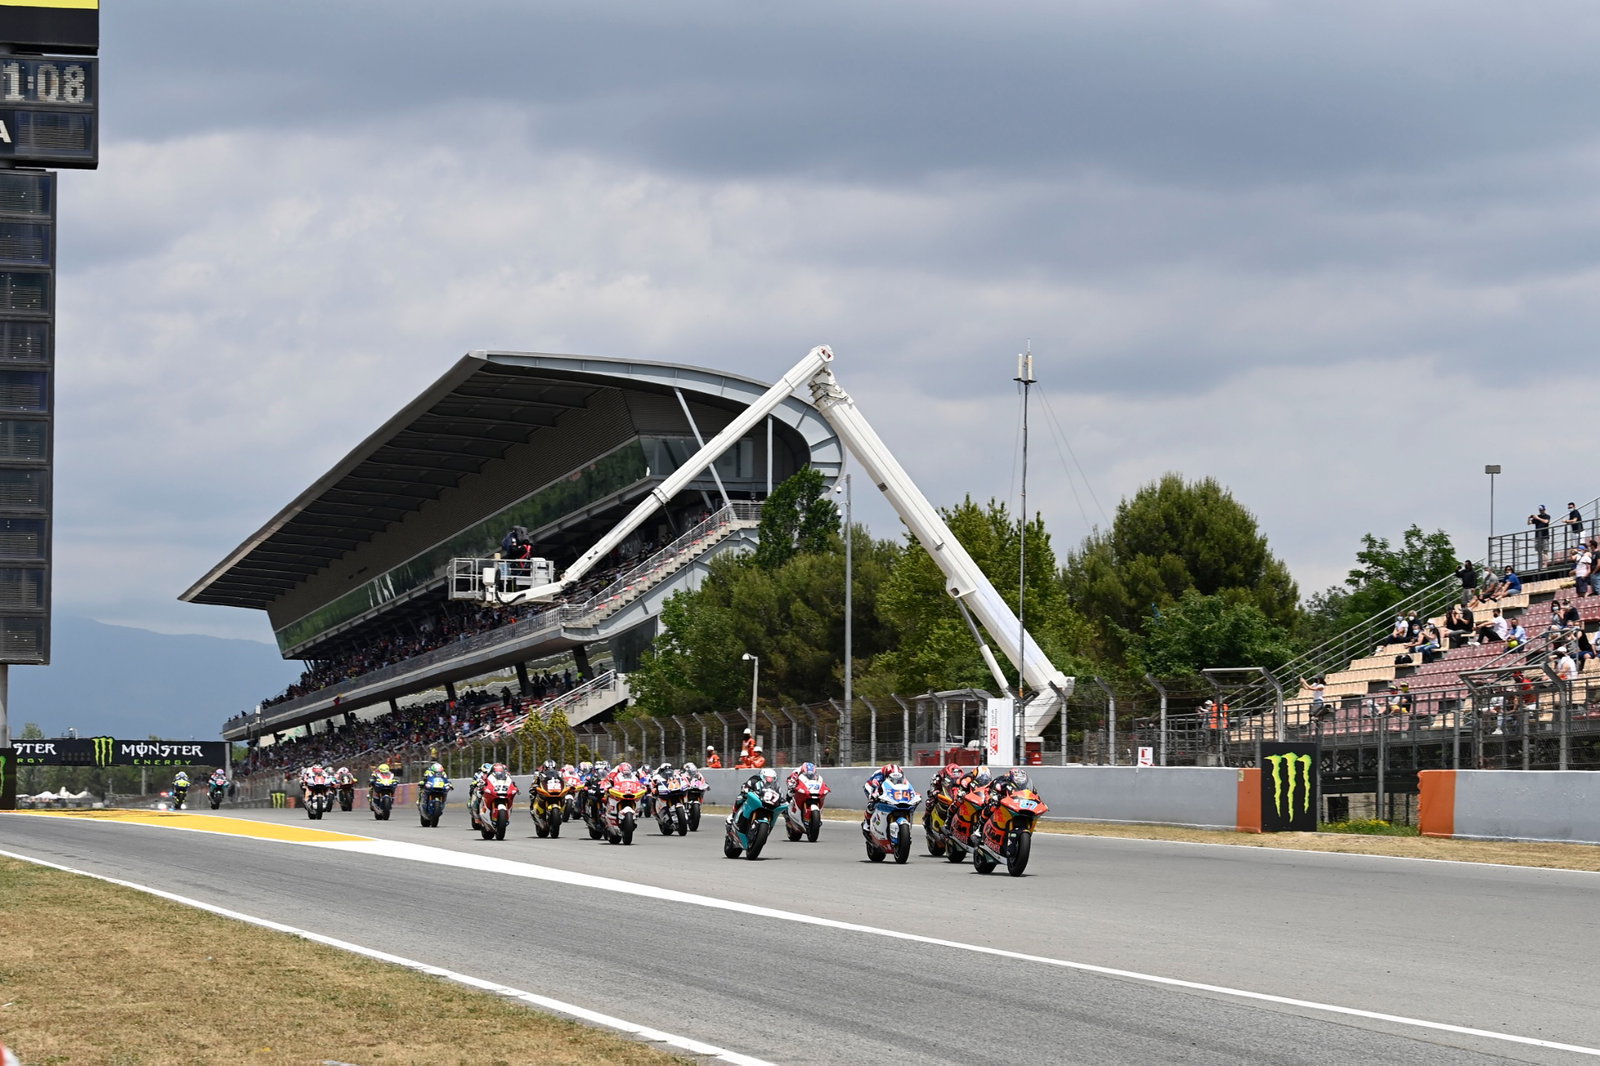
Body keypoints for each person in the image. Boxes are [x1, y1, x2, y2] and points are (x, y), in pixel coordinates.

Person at [730, 766, 779, 833]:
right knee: (740, 798)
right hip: (754, 798)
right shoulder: (754, 779)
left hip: (766, 802)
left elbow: (779, 793)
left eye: (772, 778)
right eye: (767, 777)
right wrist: (745, 790)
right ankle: (733, 816)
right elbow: (745, 785)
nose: (769, 779)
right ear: (762, 776)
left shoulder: (775, 785)